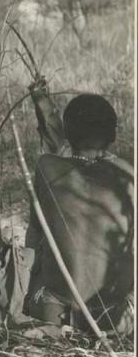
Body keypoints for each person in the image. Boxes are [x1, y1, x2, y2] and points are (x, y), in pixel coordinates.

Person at [22, 79, 134, 336]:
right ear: (113, 134)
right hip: (117, 318)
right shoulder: (129, 174)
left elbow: (35, 234)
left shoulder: (46, 167)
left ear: (68, 132)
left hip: (55, 312)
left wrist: (41, 100)